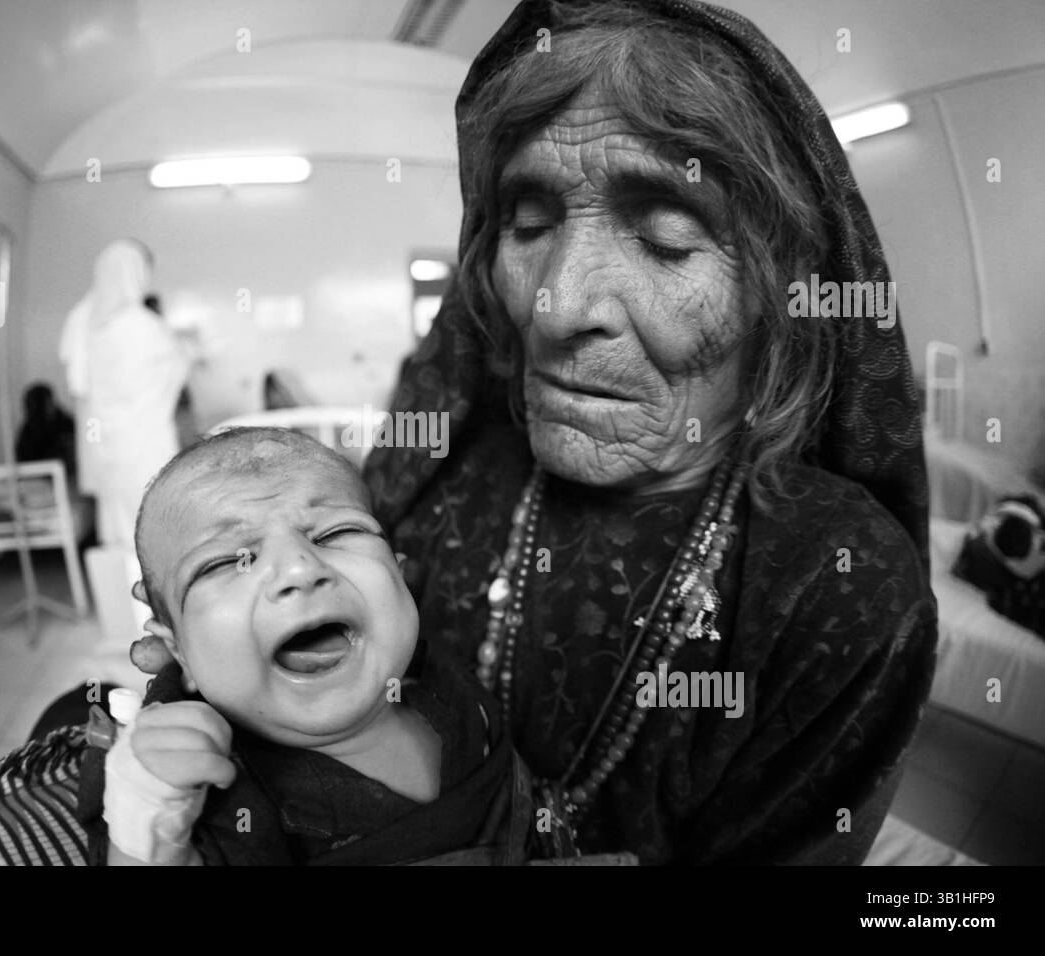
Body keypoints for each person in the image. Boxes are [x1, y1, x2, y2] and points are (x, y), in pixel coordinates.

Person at [347, 0, 940, 864]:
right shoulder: (450, 477)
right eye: (530, 226)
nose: (561, 306)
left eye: (665, 240)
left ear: (779, 292)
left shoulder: (837, 587)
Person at [0, 428, 532, 866]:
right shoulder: (203, 789)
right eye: (227, 560)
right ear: (180, 656)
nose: (300, 569)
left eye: (337, 532)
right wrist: (145, 819)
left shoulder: (445, 683)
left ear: (403, 579)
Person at [58, 239, 193, 547]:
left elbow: (81, 388)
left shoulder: (81, 322)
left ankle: (125, 593)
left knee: (121, 530)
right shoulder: (140, 325)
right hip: (145, 444)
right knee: (155, 527)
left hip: (106, 448)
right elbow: (173, 370)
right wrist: (186, 350)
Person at [14, 382, 76, 481]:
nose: (51, 406)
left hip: (67, 477)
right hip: (39, 480)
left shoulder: (64, 422)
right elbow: (27, 464)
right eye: (48, 403)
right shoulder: (28, 434)